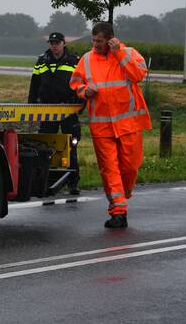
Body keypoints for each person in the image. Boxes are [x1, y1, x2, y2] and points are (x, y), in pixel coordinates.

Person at [69, 22, 151, 229]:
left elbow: (138, 75)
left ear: (111, 40)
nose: (96, 44)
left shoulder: (129, 53)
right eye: (93, 40)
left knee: (130, 167)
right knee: (110, 169)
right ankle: (118, 212)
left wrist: (119, 53)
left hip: (128, 124)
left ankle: (123, 196)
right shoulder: (86, 59)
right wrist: (84, 91)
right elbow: (75, 82)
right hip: (101, 126)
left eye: (100, 41)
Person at [28, 31, 83, 194]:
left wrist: (79, 104)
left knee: (71, 145)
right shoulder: (42, 61)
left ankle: (73, 182)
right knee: (45, 146)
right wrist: (31, 106)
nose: (54, 46)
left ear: (63, 44)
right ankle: (44, 182)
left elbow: (81, 83)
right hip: (47, 110)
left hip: (67, 110)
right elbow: (34, 85)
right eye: (52, 43)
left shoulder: (74, 61)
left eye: (57, 43)